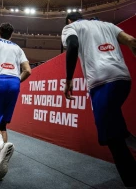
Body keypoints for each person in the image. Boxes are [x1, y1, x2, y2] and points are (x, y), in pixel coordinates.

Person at [62, 12, 136, 187]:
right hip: (123, 80)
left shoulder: (71, 27)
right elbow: (132, 41)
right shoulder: (107, 25)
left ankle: (132, 179)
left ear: (69, 20)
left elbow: (72, 45)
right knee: (115, 126)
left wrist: (69, 80)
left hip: (102, 83)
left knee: (111, 136)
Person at [0, 23, 31, 181]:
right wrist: (16, 81)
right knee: (2, 125)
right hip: (14, 83)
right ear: (11, 35)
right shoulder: (17, 48)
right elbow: (28, 70)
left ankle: (2, 147)